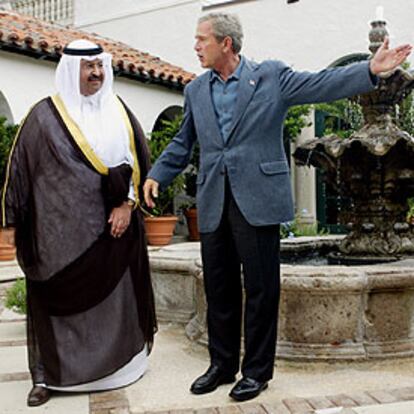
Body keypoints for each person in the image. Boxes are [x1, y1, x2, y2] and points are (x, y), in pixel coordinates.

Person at [143, 12, 411, 402]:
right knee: (218, 287)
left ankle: (255, 372)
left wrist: (370, 69)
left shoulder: (270, 77)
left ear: (226, 44)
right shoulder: (196, 91)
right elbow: (183, 142)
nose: (196, 46)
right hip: (215, 198)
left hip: (258, 199)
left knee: (261, 288)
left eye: (202, 40)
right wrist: (157, 174)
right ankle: (221, 365)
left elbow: (322, 83)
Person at [1, 39, 157, 406]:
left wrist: (128, 204)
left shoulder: (119, 111)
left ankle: (120, 368)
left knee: (115, 304)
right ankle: (49, 377)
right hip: (58, 239)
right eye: (89, 68)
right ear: (71, 71)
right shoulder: (43, 116)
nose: (97, 74)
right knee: (53, 301)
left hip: (114, 232)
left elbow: (140, 166)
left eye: (100, 66)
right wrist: (10, 224)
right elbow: (19, 172)